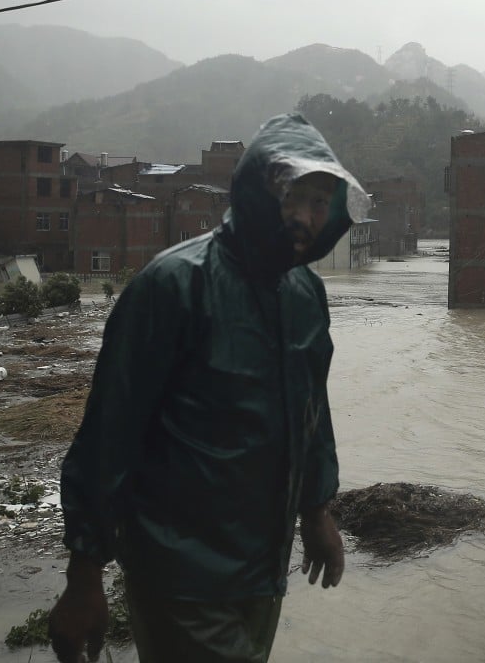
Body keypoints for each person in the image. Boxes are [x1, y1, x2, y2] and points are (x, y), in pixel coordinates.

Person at [48, 113, 372, 663]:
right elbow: (109, 434)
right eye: (293, 195)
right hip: (178, 571)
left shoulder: (304, 295)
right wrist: (84, 576)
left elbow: (311, 413)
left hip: (263, 570)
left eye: (321, 203)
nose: (305, 216)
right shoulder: (173, 286)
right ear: (255, 191)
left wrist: (317, 513)